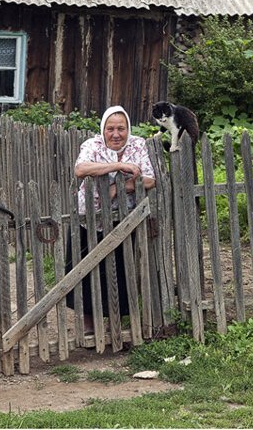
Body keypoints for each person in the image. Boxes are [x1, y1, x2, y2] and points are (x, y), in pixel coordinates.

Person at [68, 105, 156, 335]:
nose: (116, 134)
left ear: (128, 129)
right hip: (89, 215)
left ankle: (114, 322)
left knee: (116, 269)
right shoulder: (92, 145)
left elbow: (149, 180)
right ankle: (89, 323)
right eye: (110, 129)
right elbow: (81, 170)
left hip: (123, 218)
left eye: (121, 128)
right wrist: (118, 166)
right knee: (86, 269)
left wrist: (119, 186)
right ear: (103, 130)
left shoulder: (138, 145)